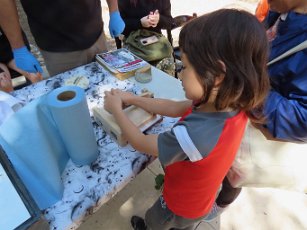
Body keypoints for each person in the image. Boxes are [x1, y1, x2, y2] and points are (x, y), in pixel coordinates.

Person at [103, 9, 270, 230]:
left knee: (157, 221)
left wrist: (117, 110)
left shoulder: (194, 135)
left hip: (179, 204)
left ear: (218, 76)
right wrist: (133, 99)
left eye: (187, 67)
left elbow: (141, 143)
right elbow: (173, 107)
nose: (180, 74)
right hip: (202, 199)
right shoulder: (229, 103)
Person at [212, 0, 307, 221]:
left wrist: (245, 85)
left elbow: (302, 119)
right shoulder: (281, 13)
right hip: (242, 112)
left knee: (236, 171)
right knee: (223, 162)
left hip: (256, 126)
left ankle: (222, 202)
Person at [0, 0, 125, 76]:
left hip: (97, 35)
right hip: (58, 48)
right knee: (73, 102)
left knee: (107, 88)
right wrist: (18, 48)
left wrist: (114, 11)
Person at [0, 28, 42, 92]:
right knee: (3, 83)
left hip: (11, 48)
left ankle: (41, 96)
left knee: (35, 74)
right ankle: (14, 100)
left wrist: (21, 51)